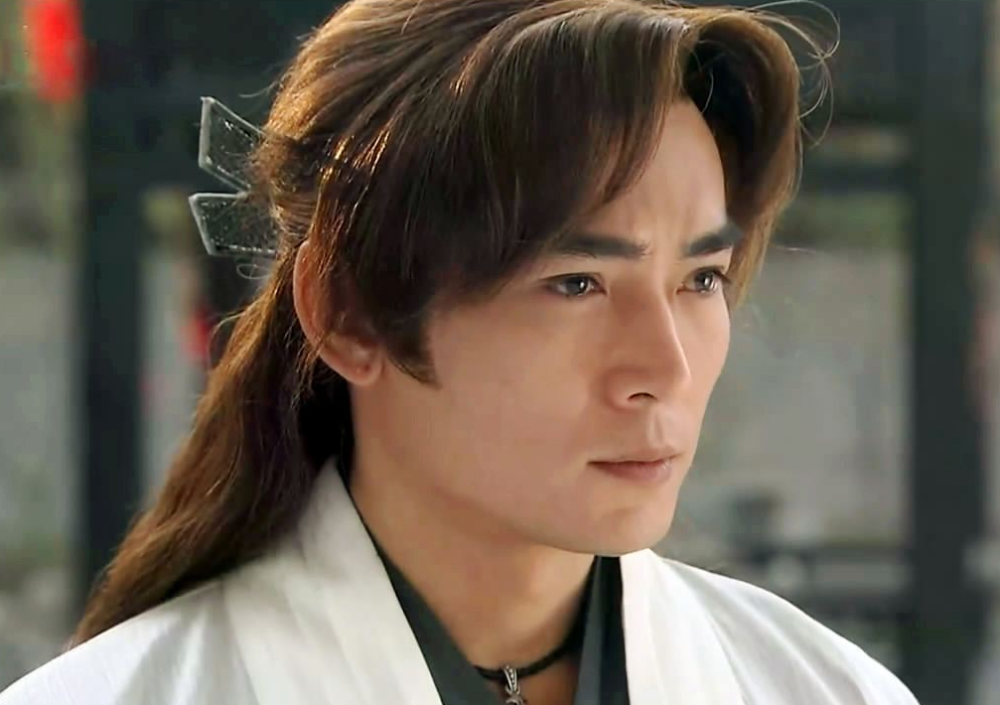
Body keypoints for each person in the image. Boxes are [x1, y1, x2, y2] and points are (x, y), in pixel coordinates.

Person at [0, 1, 921, 703]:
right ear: (348, 312)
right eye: (577, 283)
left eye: (702, 278)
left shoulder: (824, 688)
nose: (666, 370)